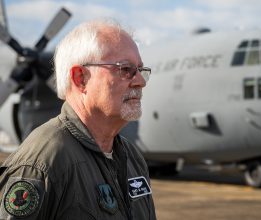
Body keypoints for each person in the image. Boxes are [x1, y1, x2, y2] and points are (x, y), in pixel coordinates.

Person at [0, 19, 156, 220]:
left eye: (141, 70)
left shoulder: (131, 157)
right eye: (125, 69)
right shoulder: (41, 163)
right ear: (80, 78)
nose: (140, 82)